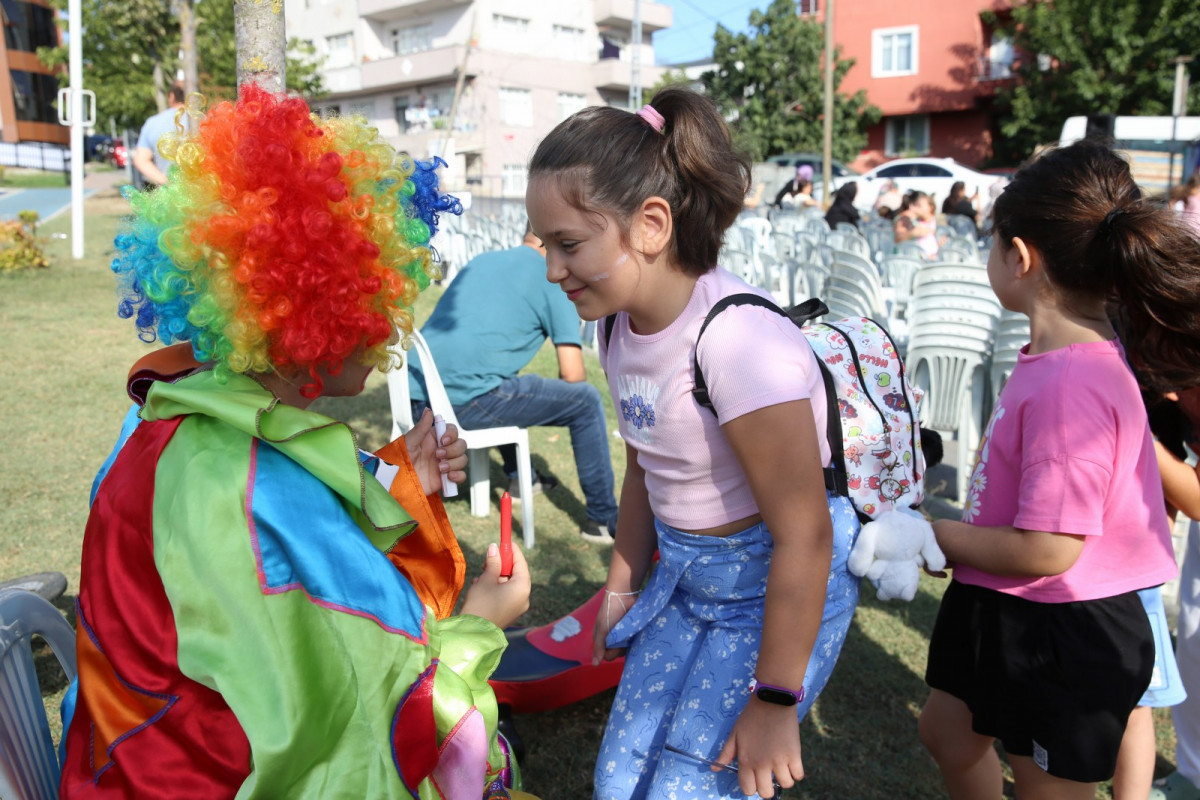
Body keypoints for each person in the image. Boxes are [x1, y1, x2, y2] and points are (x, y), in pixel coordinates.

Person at [59, 85, 535, 799]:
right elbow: (358, 723)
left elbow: (300, 562)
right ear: (308, 306)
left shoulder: (179, 415)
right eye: (371, 295)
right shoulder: (248, 488)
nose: (390, 323)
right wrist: (479, 624)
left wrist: (403, 476)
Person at [527, 88, 860, 800]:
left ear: (650, 225)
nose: (552, 269)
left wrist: (775, 699)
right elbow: (645, 468)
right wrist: (620, 589)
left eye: (568, 244)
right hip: (687, 581)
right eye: (545, 245)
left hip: (773, 593)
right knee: (620, 779)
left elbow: (806, 535)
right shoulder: (616, 325)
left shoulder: (737, 344)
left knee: (692, 788)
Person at [918, 139, 1200, 800]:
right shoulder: (1059, 357)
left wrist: (937, 533)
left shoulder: (1071, 382)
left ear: (1020, 256)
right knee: (948, 732)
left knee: (1048, 786)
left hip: (1065, 624)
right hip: (1003, 598)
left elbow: (1050, 548)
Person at [409, 227, 619, 543]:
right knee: (585, 401)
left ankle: (522, 479)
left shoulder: (482, 260)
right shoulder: (555, 278)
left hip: (414, 394)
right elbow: (573, 374)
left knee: (505, 386)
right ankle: (602, 519)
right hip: (459, 403)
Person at [132, 83, 185, 187]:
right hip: (206, 193)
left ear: (172, 97)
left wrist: (166, 183)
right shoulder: (205, 121)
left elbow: (140, 160)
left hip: (170, 194)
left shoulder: (153, 123)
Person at [893, 189, 939, 258]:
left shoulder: (928, 221)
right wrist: (913, 233)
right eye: (916, 205)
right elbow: (897, 238)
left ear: (930, 207)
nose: (916, 208)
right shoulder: (907, 219)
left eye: (919, 205)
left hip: (926, 258)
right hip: (914, 258)